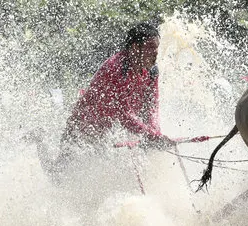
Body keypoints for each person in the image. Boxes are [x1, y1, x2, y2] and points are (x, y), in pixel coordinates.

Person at [61, 22, 176, 150]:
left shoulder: (152, 71)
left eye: (156, 48)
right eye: (150, 47)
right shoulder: (116, 69)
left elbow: (151, 106)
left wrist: (156, 131)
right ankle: (38, 139)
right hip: (83, 126)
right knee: (59, 169)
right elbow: (124, 115)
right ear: (135, 48)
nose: (155, 53)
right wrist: (151, 135)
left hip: (111, 129)